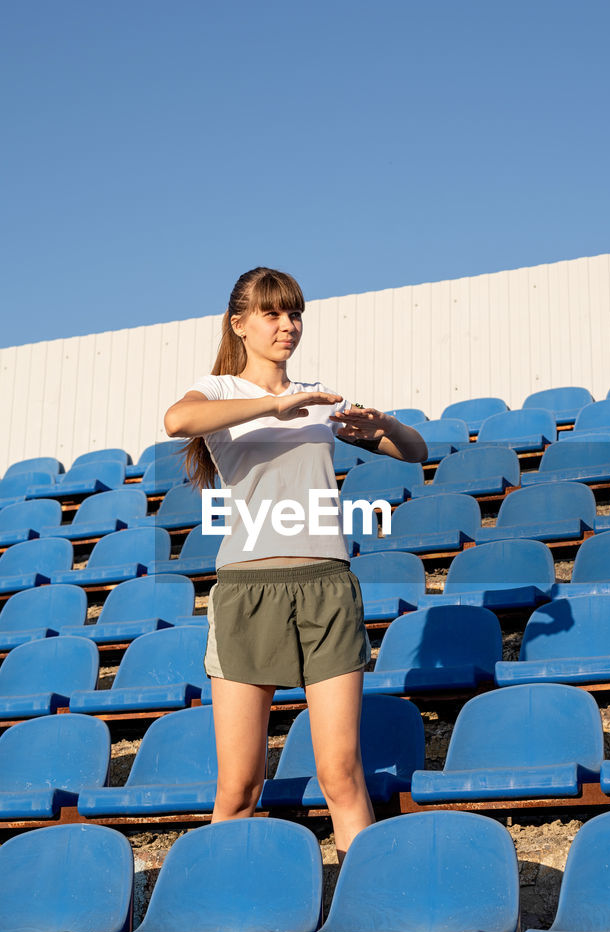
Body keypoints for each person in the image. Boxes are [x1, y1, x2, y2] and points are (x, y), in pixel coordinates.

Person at [163, 267, 428, 862]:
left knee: (342, 774)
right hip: (248, 590)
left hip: (326, 587)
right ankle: (222, 909)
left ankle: (364, 908)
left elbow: (415, 452)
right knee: (239, 786)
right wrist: (276, 405)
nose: (288, 325)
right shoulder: (223, 393)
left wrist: (384, 426)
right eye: (272, 314)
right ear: (240, 325)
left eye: (294, 313)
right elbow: (177, 421)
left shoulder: (317, 399)